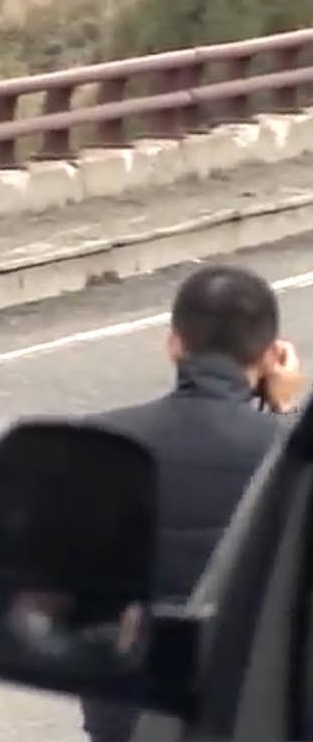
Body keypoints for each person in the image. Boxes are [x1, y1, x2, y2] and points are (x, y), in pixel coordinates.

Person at [76, 264, 306, 742]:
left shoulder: (98, 442)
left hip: (124, 709)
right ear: (270, 357)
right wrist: (286, 416)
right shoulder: (285, 454)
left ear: (174, 344)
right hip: (253, 707)